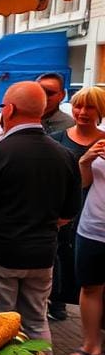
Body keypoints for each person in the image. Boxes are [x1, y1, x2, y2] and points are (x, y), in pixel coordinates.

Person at [0, 82, 82, 355]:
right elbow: (69, 212)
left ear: (10, 109)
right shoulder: (63, 154)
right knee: (36, 320)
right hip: (41, 254)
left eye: (3, 107)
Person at [47, 86, 105, 321]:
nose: (82, 112)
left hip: (94, 214)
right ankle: (58, 302)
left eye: (90, 107)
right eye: (78, 105)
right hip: (63, 210)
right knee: (61, 258)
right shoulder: (55, 140)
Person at [63, 138, 105, 355]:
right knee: (90, 287)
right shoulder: (102, 138)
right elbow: (85, 183)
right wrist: (85, 161)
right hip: (92, 228)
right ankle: (90, 345)